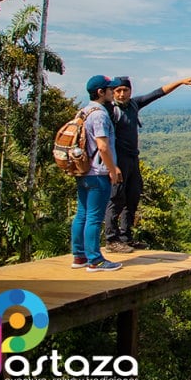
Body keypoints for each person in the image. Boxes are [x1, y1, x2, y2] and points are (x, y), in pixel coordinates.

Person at [104, 75, 191, 252]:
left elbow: (158, 93)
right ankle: (111, 239)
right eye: (118, 91)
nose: (122, 94)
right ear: (112, 92)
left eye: (125, 90)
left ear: (130, 91)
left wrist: (180, 82)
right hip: (118, 160)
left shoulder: (134, 104)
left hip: (133, 159)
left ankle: (126, 237)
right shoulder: (109, 110)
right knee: (116, 199)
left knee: (132, 197)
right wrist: (111, 165)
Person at [71, 75, 125, 272]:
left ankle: (79, 256)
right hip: (97, 172)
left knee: (82, 214)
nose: (113, 92)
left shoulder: (83, 112)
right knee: (94, 217)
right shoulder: (100, 114)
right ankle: (95, 260)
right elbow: (103, 146)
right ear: (101, 92)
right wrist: (112, 170)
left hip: (83, 171)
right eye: (110, 89)